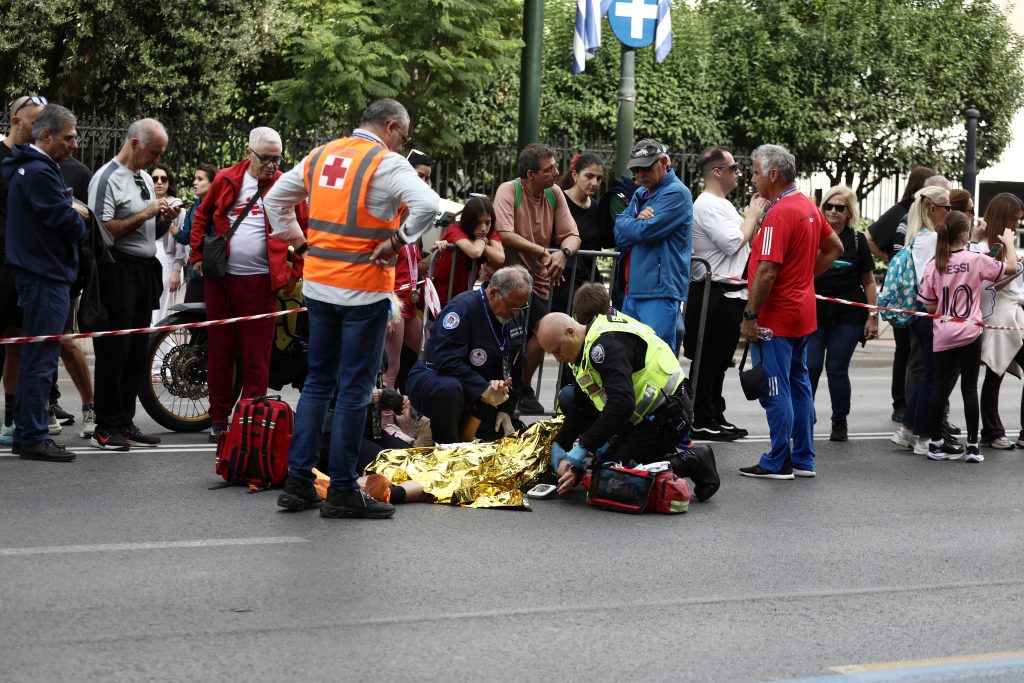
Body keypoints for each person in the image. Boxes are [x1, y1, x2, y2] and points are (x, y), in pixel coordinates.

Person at [264, 98, 438, 519]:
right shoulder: (386, 163)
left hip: (319, 287)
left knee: (318, 384)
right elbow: (429, 206)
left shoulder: (322, 155)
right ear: (391, 127)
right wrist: (396, 241)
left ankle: (299, 482)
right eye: (403, 137)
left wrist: (301, 243)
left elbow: (275, 201)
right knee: (354, 390)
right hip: (363, 292)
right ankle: (342, 488)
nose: (401, 146)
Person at [189, 127, 307, 443]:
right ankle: (218, 420)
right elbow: (201, 217)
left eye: (277, 158)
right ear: (248, 153)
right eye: (265, 158)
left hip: (262, 285)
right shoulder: (227, 178)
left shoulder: (285, 185)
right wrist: (197, 254)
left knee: (257, 357)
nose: (271, 165)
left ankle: (249, 420)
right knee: (221, 353)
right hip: (222, 282)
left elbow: (304, 230)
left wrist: (294, 273)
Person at [535, 311, 720, 502]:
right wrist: (561, 443)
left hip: (668, 415)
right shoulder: (584, 349)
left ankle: (694, 460)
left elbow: (622, 403)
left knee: (612, 478)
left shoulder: (605, 346)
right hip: (642, 418)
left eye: (557, 350)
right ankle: (653, 454)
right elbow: (583, 405)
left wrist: (584, 446)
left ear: (571, 332)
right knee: (602, 470)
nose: (557, 358)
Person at [738, 144, 842, 480]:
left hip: (776, 316)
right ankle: (803, 458)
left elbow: (767, 270)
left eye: (755, 172)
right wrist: (804, 277)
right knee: (799, 384)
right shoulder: (808, 206)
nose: (752, 179)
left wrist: (750, 316)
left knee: (775, 387)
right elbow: (834, 247)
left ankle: (777, 460)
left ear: (773, 174)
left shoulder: (779, 213)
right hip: (801, 311)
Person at [1, 104, 87, 462]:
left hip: (37, 274)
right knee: (41, 359)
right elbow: (69, 224)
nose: (75, 144)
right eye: (69, 138)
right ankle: (34, 435)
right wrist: (77, 214)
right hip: (45, 276)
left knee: (35, 357)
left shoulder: (27, 167)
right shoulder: (39, 172)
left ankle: (26, 433)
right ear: (47, 135)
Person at [88, 118, 175, 451]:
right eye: (154, 153)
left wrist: (163, 220)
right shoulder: (106, 177)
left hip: (143, 270)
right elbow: (101, 231)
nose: (156, 160)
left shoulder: (144, 178)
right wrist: (146, 213)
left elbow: (149, 232)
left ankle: (124, 421)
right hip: (116, 270)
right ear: (135, 143)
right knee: (114, 350)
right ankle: (105, 425)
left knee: (137, 350)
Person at [487, 143, 580, 414]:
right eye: (549, 169)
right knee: (519, 337)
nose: (557, 172)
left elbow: (572, 235)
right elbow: (504, 233)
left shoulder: (554, 193)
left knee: (539, 335)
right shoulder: (509, 190)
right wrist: (541, 251)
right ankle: (513, 391)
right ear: (531, 175)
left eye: (555, 166)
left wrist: (563, 254)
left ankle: (520, 389)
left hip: (538, 283)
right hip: (507, 282)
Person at [685, 146, 769, 440]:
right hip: (714, 292)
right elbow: (732, 242)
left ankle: (713, 414)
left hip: (729, 292)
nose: (739, 173)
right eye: (734, 167)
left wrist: (750, 218)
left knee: (720, 361)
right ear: (717, 171)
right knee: (708, 361)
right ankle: (701, 418)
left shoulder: (722, 204)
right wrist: (752, 215)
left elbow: (743, 242)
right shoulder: (707, 204)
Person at [918, 210, 1015, 463]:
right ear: (964, 234)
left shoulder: (934, 264)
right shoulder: (975, 259)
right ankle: (972, 446)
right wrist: (1009, 243)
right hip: (970, 332)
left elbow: (929, 305)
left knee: (940, 388)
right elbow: (1012, 268)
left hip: (943, 333)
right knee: (969, 387)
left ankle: (936, 444)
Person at [406, 265, 531, 445]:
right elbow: (446, 361)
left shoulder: (515, 316)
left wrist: (506, 410)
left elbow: (516, 367)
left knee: (496, 443)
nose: (517, 312)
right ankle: (444, 446)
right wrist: (484, 389)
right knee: (449, 390)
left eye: (522, 305)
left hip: (480, 389)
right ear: (494, 293)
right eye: (513, 305)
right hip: (436, 377)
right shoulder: (462, 309)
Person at [889, 185, 962, 456]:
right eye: (947, 208)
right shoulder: (933, 239)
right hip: (932, 311)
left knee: (928, 374)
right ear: (932, 209)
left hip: (920, 311)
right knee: (934, 376)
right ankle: (924, 436)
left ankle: (908, 429)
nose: (949, 212)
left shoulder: (918, 237)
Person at [806, 186, 878, 442]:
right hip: (814, 311)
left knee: (836, 368)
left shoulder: (857, 240)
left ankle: (839, 421)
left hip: (849, 314)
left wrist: (872, 316)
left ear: (849, 212)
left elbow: (869, 281)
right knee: (811, 366)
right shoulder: (813, 235)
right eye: (828, 206)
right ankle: (805, 419)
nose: (833, 211)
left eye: (839, 207)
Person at [865, 166, 936, 424]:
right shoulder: (901, 213)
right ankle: (901, 403)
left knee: (916, 354)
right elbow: (869, 237)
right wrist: (889, 258)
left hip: (920, 294)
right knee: (905, 350)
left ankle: (915, 406)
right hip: (903, 292)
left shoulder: (931, 221)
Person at [614, 138, 692, 352]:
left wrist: (632, 224)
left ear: (664, 162)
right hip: (635, 290)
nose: (640, 174)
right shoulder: (641, 193)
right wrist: (636, 221)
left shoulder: (677, 193)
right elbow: (619, 233)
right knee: (632, 358)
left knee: (657, 358)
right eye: (636, 169)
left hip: (659, 291)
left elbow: (645, 231)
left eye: (646, 168)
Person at [0, 96, 47, 447]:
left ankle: (11, 418)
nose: (41, 130)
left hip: (22, 267)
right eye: (35, 123)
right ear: (17, 122)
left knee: (18, 340)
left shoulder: (33, 160)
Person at [972, 193, 1024, 449]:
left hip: (1013, 313)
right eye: (1013, 219)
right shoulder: (984, 247)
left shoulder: (1003, 244)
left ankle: (997, 432)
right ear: (1001, 217)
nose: (1016, 224)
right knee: (995, 371)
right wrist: (1014, 261)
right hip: (995, 315)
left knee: (996, 372)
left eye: (1018, 220)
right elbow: (990, 284)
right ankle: (992, 432)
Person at [551, 152, 611, 314]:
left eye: (599, 178)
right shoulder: (559, 200)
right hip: (560, 278)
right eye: (589, 176)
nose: (594, 183)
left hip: (589, 280)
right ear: (575, 175)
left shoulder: (598, 208)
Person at [427, 196, 504, 307]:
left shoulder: (488, 232)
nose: (483, 228)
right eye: (478, 223)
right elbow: (475, 252)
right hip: (437, 298)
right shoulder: (454, 230)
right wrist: (482, 240)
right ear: (468, 221)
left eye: (487, 223)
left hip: (460, 299)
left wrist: (477, 242)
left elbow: (500, 257)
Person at [149, 163, 187, 325]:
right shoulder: (145, 204)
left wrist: (176, 270)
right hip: (147, 259)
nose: (159, 182)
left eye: (163, 179)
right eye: (155, 179)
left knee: (163, 315)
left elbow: (182, 241)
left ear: (169, 182)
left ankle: (161, 342)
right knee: (148, 315)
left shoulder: (177, 206)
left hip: (169, 261)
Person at [174, 165, 217, 303]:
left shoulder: (221, 206)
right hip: (196, 273)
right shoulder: (193, 207)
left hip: (217, 272)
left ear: (212, 183)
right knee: (190, 312)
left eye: (200, 179)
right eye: (194, 179)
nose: (194, 182)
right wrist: (169, 224)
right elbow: (187, 237)